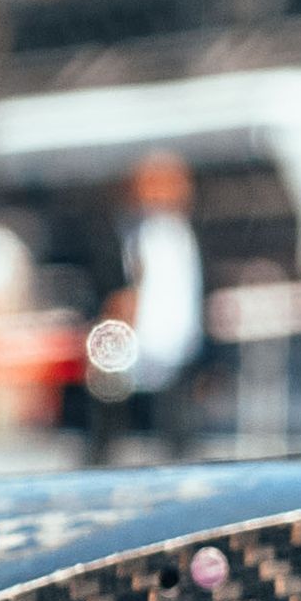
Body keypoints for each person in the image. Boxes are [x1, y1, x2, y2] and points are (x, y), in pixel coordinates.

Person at [76, 153, 206, 461]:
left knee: (179, 441)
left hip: (176, 351)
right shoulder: (121, 233)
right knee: (107, 437)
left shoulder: (186, 236)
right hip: (127, 349)